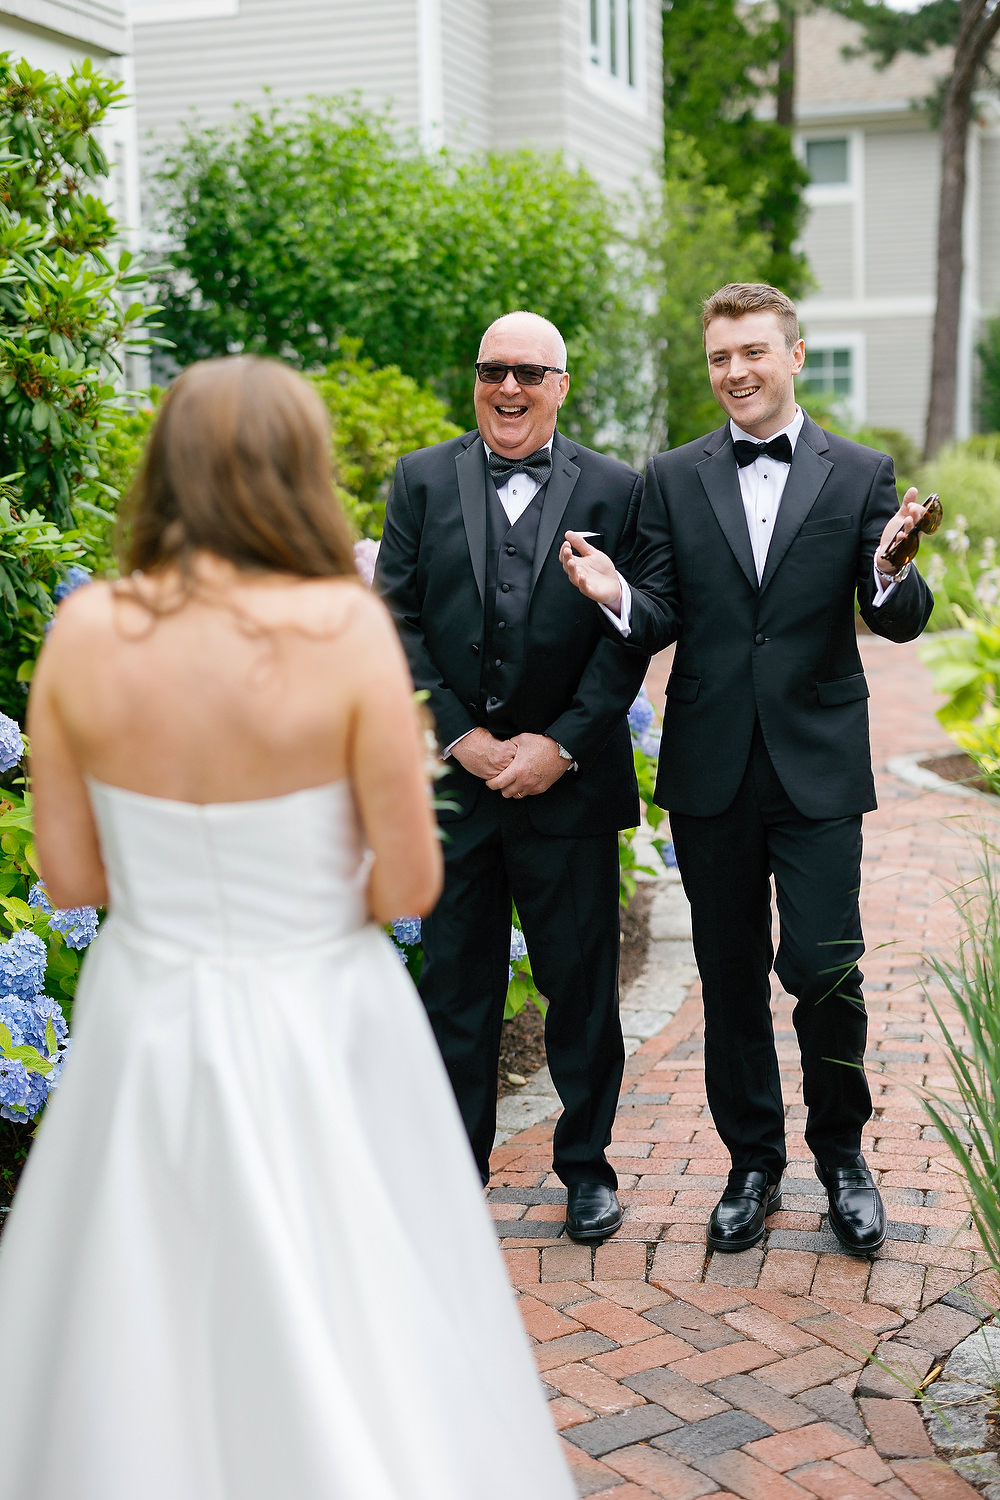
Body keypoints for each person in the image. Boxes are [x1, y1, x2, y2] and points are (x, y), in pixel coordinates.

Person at [0, 357, 575, 1500]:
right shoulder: (345, 632)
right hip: (321, 1011)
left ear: (166, 472)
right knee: (360, 1302)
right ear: (300, 473)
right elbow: (408, 880)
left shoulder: (87, 634)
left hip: (151, 1015)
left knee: (137, 1307)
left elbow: (69, 873)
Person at [560, 283, 934, 1257]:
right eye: (720, 356)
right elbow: (659, 612)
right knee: (728, 977)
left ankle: (842, 1158)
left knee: (824, 968)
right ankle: (752, 1165)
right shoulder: (671, 478)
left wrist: (890, 566)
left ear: (794, 355)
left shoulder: (859, 473)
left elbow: (899, 617)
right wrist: (613, 592)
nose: (735, 371)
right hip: (711, 764)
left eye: (753, 352)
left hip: (818, 766)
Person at [375, 311, 648, 1242]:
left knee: (581, 989)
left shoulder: (616, 488)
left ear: (561, 386)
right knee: (457, 988)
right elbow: (395, 618)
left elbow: (629, 636)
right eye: (494, 369)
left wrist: (559, 745)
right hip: (457, 787)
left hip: (568, 786)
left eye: (530, 372)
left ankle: (587, 1170)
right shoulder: (420, 479)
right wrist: (462, 737)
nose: (509, 388)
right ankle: (456, 1172)